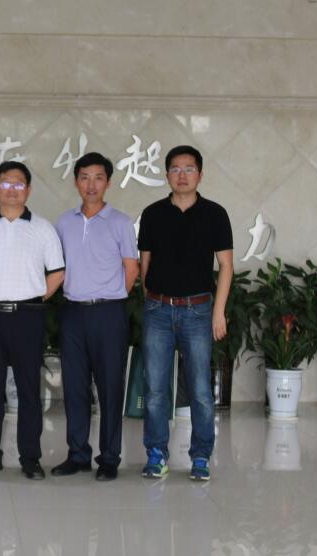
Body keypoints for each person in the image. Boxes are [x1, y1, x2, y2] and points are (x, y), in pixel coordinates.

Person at [138, 145, 233, 481]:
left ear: (200, 175)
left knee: (201, 390)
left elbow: (226, 266)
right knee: (155, 389)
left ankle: (201, 456)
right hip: (158, 310)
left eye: (189, 169)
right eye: (175, 169)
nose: (182, 175)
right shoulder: (152, 214)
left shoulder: (215, 214)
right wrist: (151, 300)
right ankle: (156, 454)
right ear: (167, 175)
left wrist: (218, 312)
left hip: (197, 311)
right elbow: (145, 264)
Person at [0, 161, 64, 480]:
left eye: (19, 184)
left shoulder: (43, 228)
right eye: (6, 183)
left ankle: (30, 458)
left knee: (28, 390)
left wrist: (34, 296)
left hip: (28, 317)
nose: (12, 189)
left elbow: (57, 272)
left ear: (29, 190)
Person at [52, 152, 139, 481]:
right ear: (76, 182)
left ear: (108, 183)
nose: (91, 185)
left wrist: (110, 295)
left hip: (108, 313)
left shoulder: (120, 222)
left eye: (98, 178)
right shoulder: (64, 222)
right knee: (75, 387)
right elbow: (58, 267)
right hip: (73, 312)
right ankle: (77, 455)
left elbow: (131, 269)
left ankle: (109, 458)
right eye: (84, 177)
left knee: (110, 387)